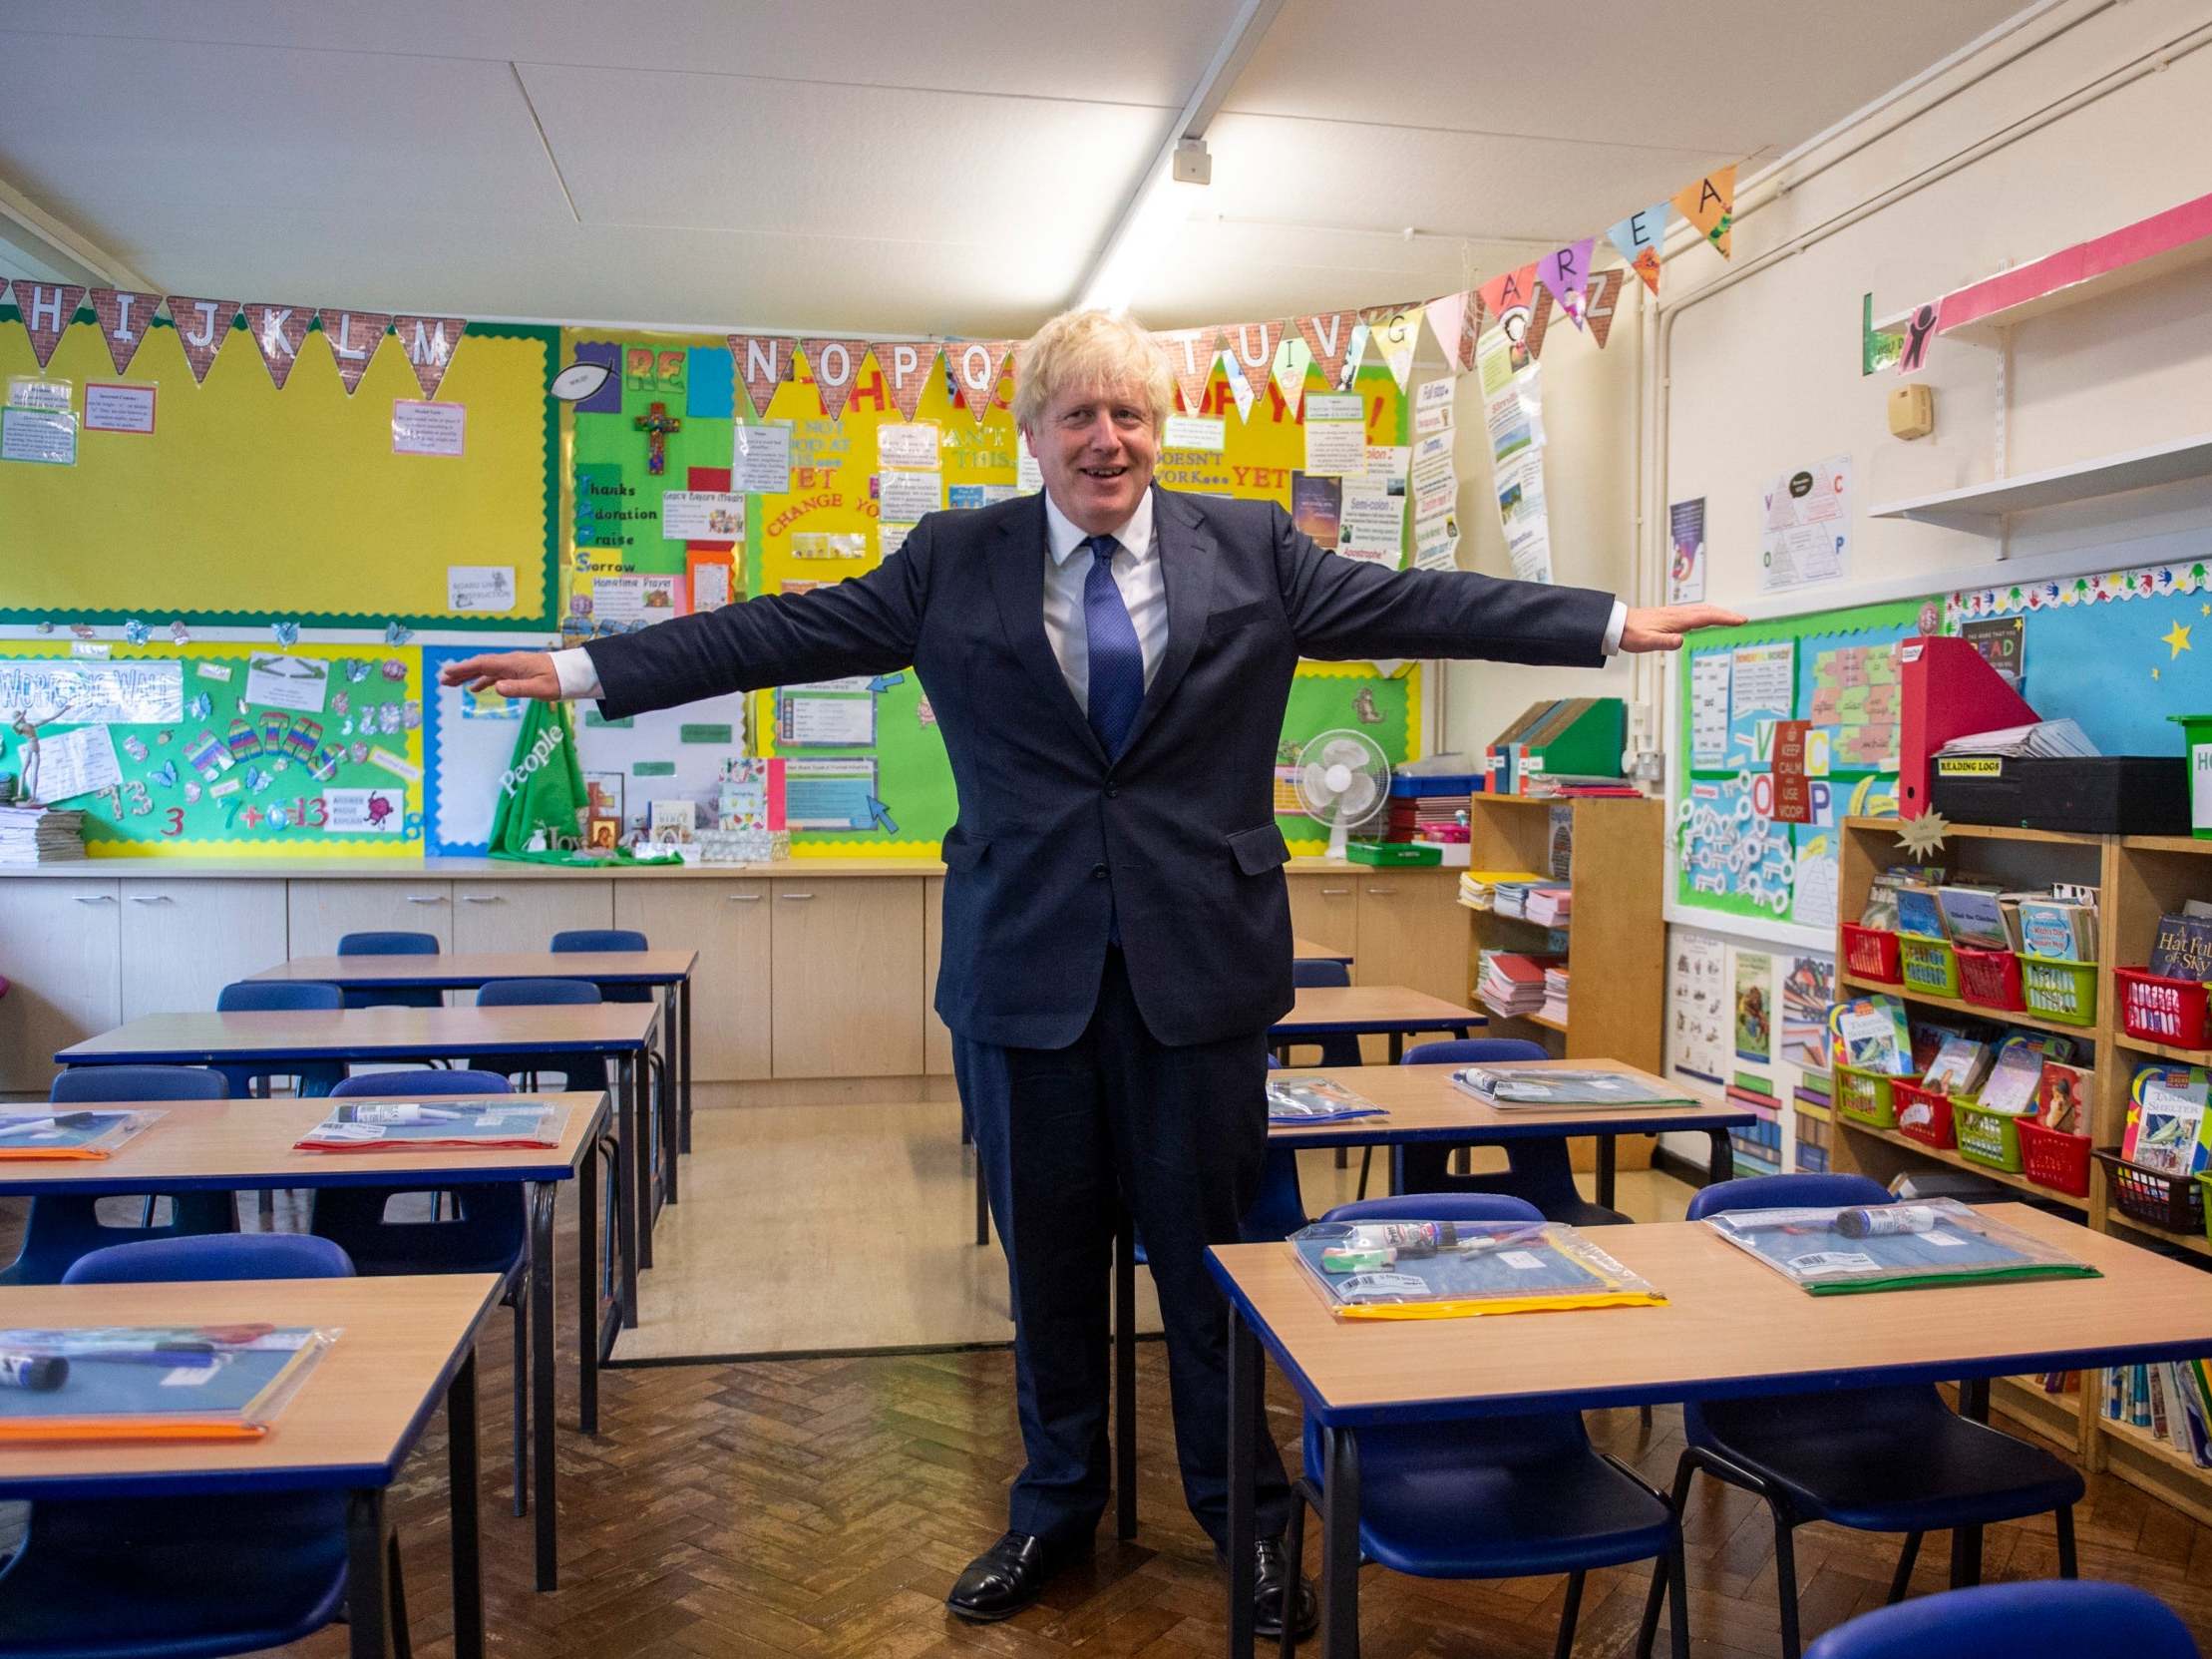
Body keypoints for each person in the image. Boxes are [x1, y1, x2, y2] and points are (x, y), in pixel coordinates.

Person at [442, 308, 1743, 1637]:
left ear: (1155, 430)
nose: (1106, 439)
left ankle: (1247, 1520)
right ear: (1034, 432)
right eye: (1079, 415)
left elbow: (1426, 600)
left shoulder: (1245, 547)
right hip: (1024, 973)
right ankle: (1052, 1510)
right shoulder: (957, 559)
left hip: (1201, 970)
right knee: (1050, 1267)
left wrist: (1608, 622)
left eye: (1128, 414)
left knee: (1214, 1267)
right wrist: (584, 667)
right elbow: (781, 632)